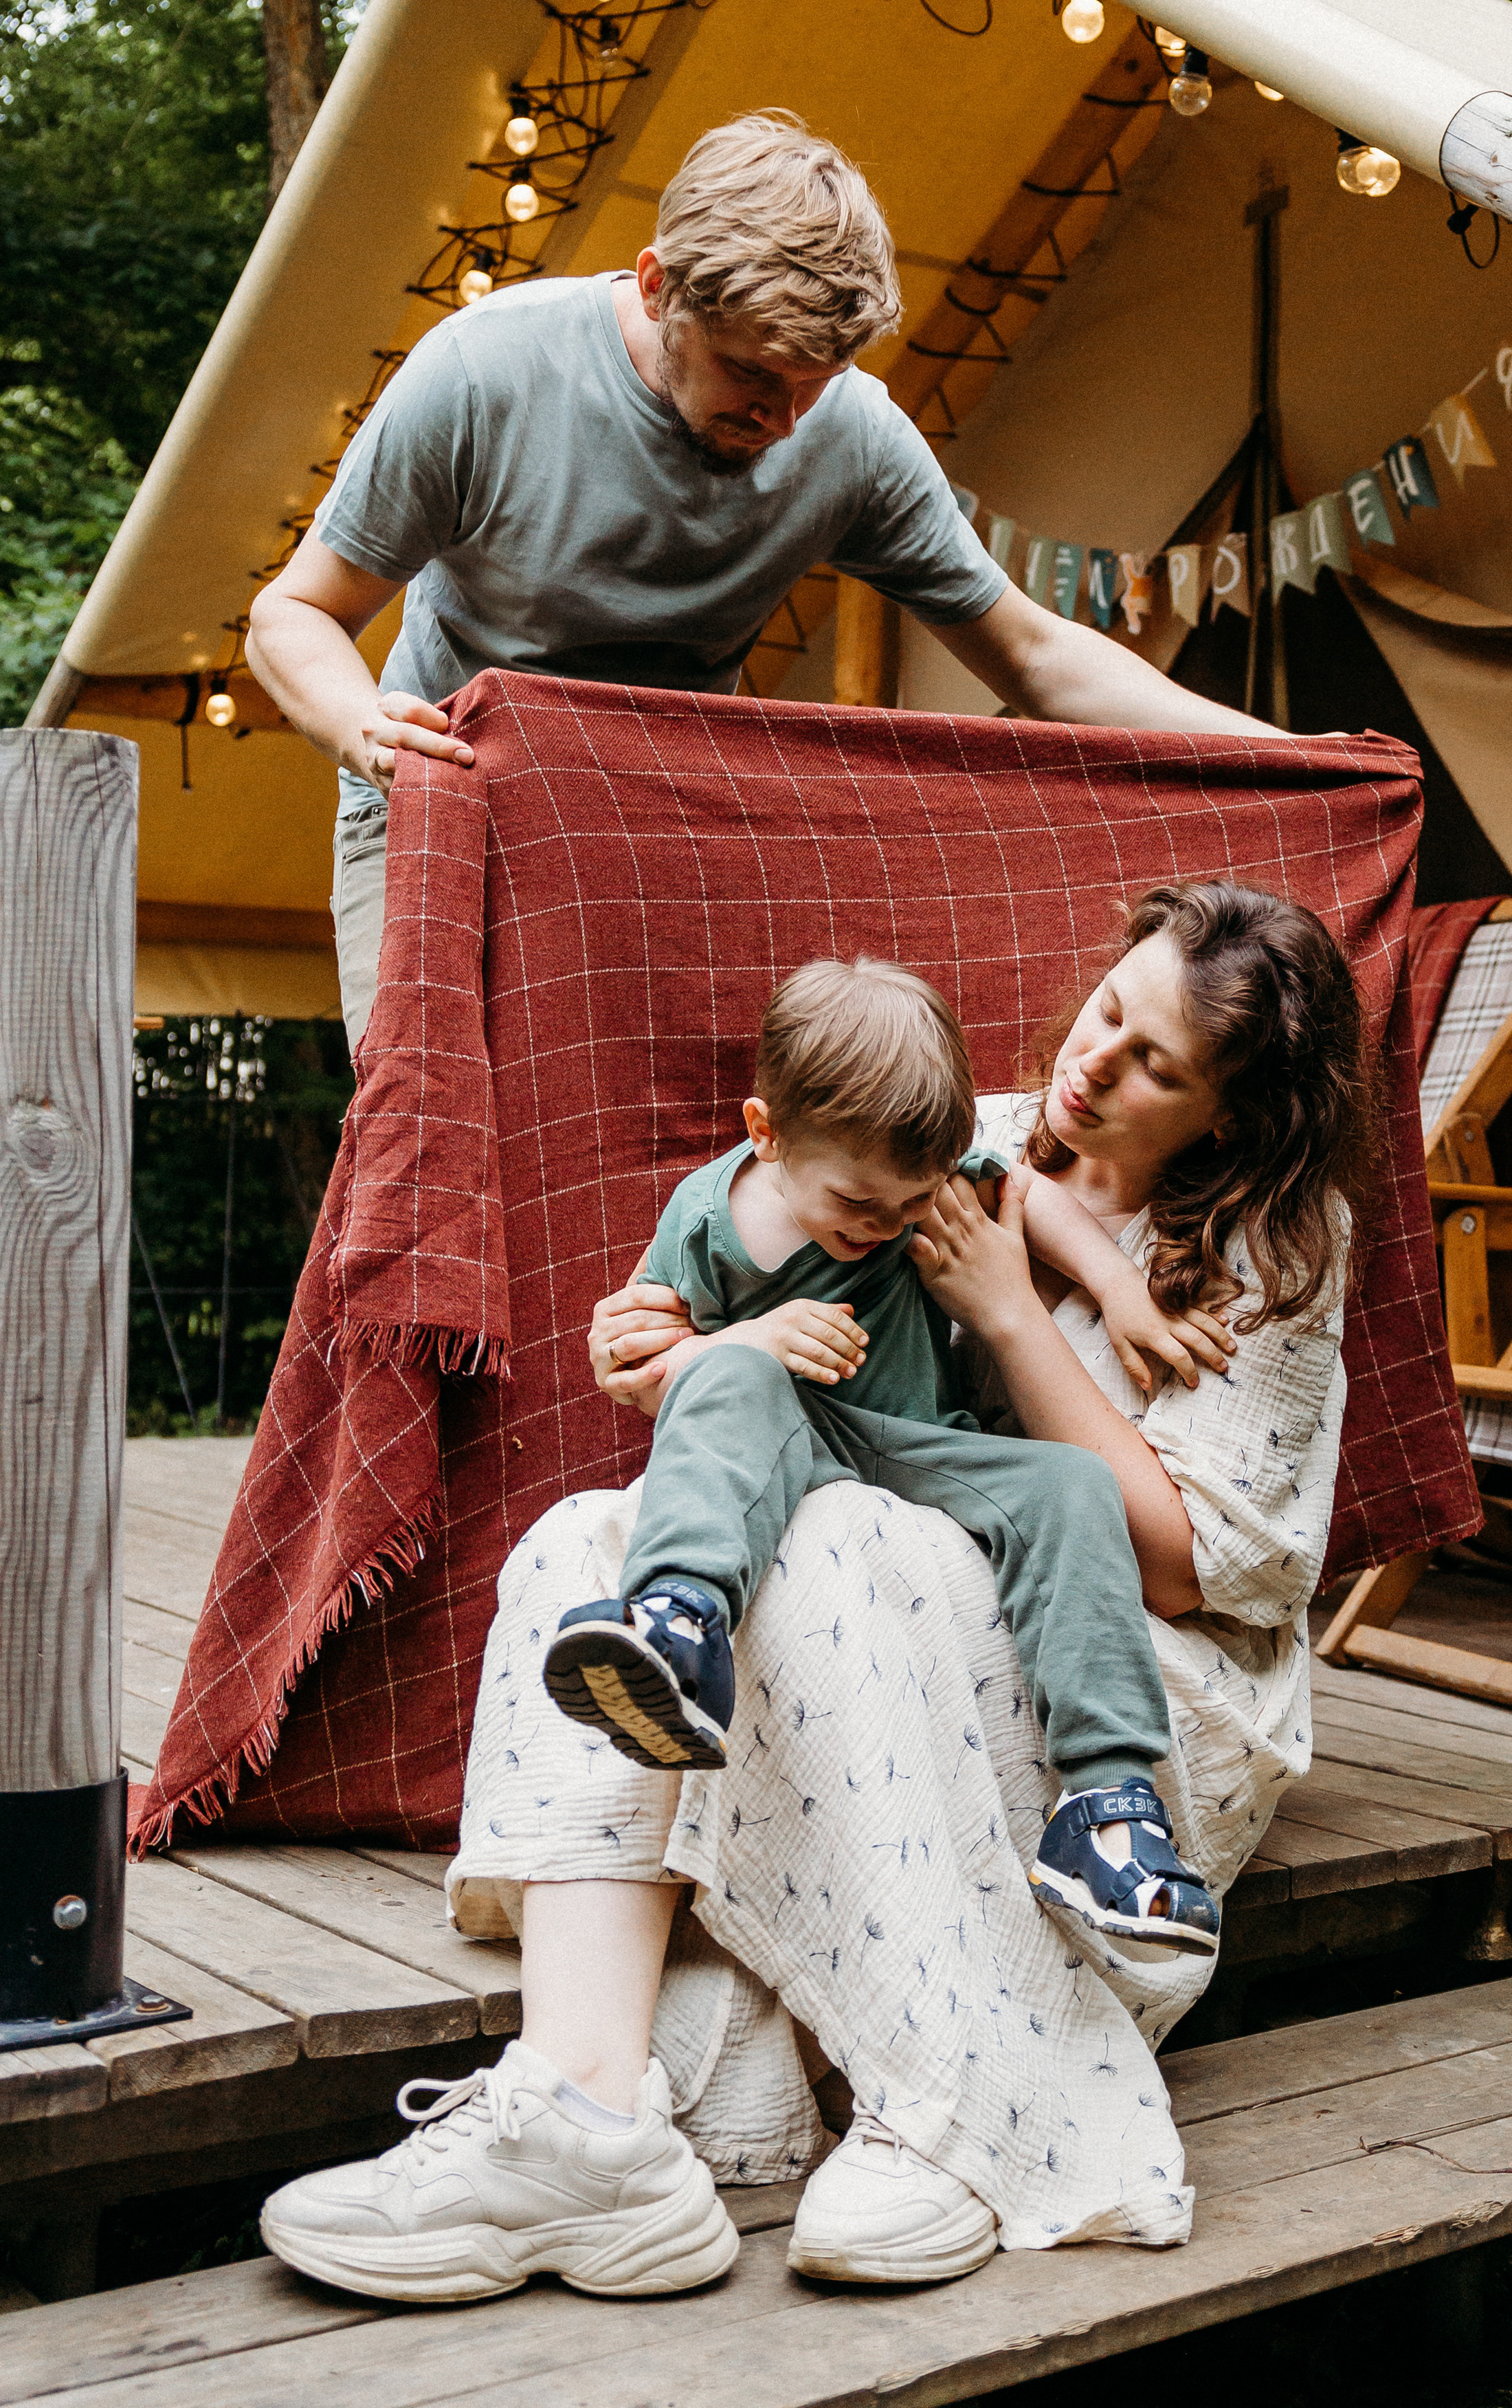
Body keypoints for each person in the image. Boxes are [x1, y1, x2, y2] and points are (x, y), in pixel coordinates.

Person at [260, 881, 1375, 2305]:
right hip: (889, 1582)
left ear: (1224, 1115)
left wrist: (1004, 1310)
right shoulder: (960, 1131)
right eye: (1106, 1012)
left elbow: (1182, 1561)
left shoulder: (1273, 1249)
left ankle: (962, 2106)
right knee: (581, 1540)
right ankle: (585, 2117)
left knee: (848, 1540)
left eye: (1152, 1061)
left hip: (1132, 1672)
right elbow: (757, 1311)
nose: (1092, 1063)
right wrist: (666, 1358)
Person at [241, 111, 1281, 1052]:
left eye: (812, 388)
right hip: (445, 807)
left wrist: (1285, 761)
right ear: (658, 288)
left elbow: (1033, 652)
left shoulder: (853, 434)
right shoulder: (482, 375)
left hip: (668, 823)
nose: (784, 423)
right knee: (430, 1125)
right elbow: (293, 614)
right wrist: (362, 727)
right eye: (753, 377)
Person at [542, 954, 1232, 1953]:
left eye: (909, 1207)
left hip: (919, 1451)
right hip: (783, 1445)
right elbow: (654, 1376)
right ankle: (678, 1624)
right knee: (726, 1378)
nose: (886, 1229)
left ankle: (1110, 1812)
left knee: (1076, 1481)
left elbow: (1024, 1197)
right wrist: (743, 1342)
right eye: (860, 1207)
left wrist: (1121, 1290)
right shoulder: (705, 1222)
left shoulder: (911, 1186)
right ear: (765, 1134)